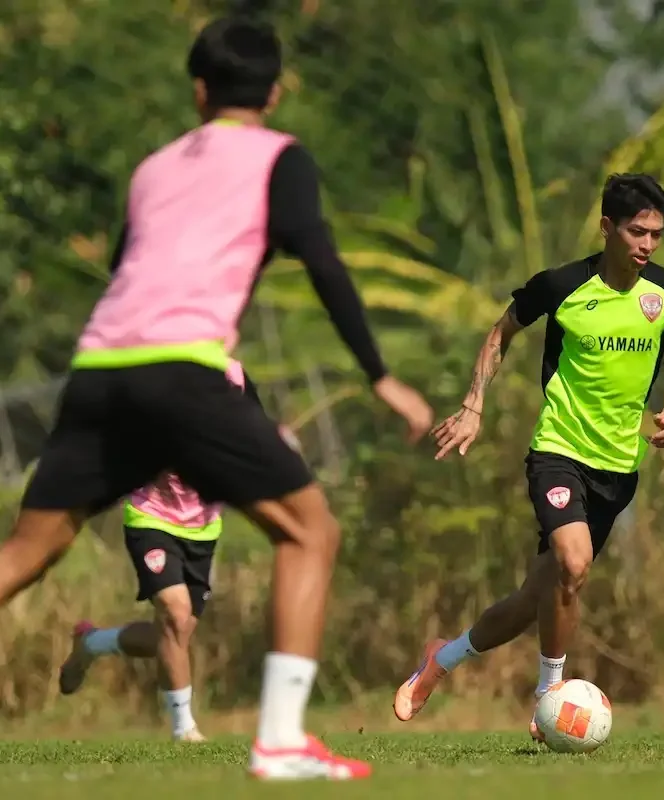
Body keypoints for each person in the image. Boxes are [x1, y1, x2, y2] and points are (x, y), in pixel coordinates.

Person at [0, 16, 433, 781]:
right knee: (309, 532)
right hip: (184, 371)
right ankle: (280, 742)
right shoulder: (280, 158)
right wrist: (380, 375)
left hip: (100, 365)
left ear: (198, 91)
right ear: (274, 90)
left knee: (26, 554)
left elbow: (126, 266)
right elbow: (324, 263)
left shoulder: (152, 167)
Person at [393, 173, 664, 740]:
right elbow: (500, 333)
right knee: (572, 562)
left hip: (618, 467)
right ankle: (548, 700)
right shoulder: (561, 285)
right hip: (558, 449)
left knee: (540, 596)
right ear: (607, 227)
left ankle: (441, 659)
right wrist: (474, 404)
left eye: (656, 234)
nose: (648, 244)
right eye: (637, 231)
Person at [58, 357, 264, 743]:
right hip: (151, 516)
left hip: (204, 526)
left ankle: (92, 644)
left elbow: (255, 435)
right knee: (174, 611)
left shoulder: (234, 375)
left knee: (174, 635)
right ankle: (184, 729)